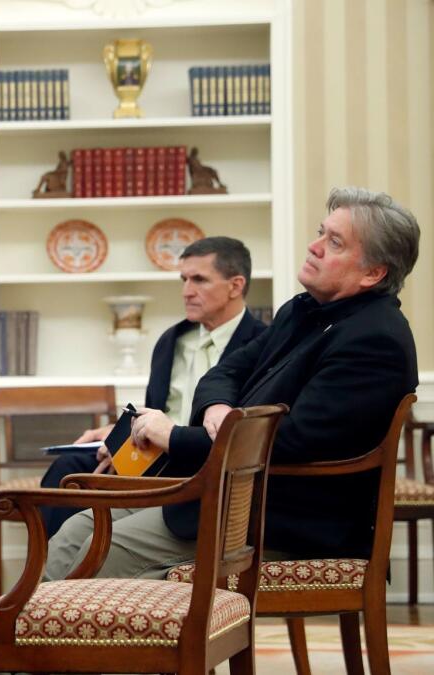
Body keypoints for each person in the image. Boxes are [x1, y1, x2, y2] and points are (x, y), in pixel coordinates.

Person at [45, 187, 420, 580]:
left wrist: (173, 437)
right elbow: (224, 373)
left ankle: (65, 636)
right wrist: (218, 408)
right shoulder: (301, 311)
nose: (314, 246)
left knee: (101, 551)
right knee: (73, 534)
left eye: (335, 242)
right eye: (321, 232)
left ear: (372, 273)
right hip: (230, 493)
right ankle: (34, 638)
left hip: (286, 518)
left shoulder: (375, 339)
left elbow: (290, 442)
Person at [38, 237, 267, 537]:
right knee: (69, 469)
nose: (186, 291)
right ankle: (59, 580)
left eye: (199, 280)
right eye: (183, 279)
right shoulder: (171, 341)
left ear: (235, 286)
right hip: (154, 455)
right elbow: (156, 410)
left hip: (205, 462)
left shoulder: (263, 345)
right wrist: (119, 436)